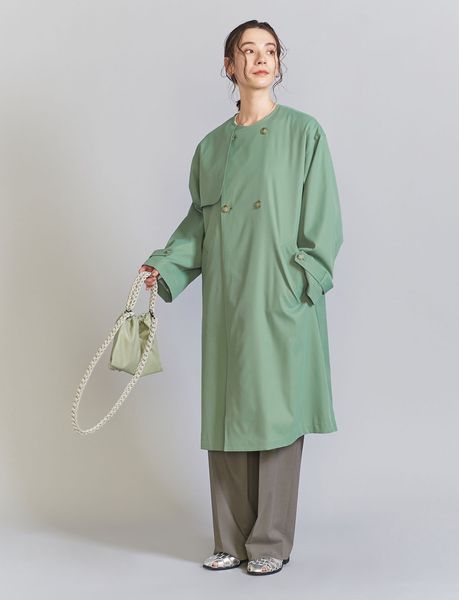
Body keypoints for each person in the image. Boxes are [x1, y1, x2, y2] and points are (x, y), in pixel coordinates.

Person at [139, 20, 343, 576]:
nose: (260, 59)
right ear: (230, 66)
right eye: (247, 51)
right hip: (228, 300)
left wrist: (300, 282)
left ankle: (270, 541)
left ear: (278, 63)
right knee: (229, 412)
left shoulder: (304, 134)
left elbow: (324, 222)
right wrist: (164, 265)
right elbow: (197, 226)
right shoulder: (211, 148)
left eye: (269, 50)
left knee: (277, 414)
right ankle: (230, 538)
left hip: (280, 298)